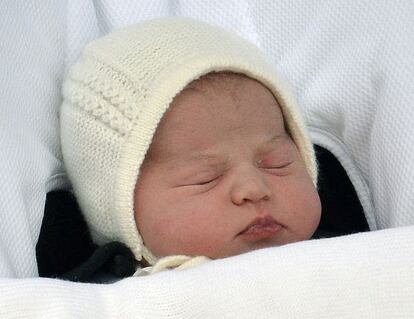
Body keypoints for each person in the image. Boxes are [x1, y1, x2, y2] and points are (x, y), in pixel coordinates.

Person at [60, 16, 321, 277]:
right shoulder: (102, 303)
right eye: (205, 178)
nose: (254, 189)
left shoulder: (351, 258)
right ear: (122, 212)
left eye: (278, 162)